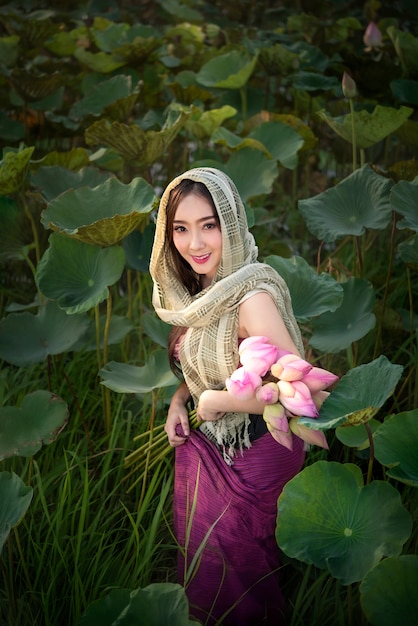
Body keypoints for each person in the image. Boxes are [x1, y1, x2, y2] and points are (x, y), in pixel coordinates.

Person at [149, 167, 305, 625]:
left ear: (231, 224)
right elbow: (212, 365)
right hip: (223, 434)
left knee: (233, 579)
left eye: (208, 225)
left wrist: (218, 405)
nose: (194, 243)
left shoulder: (250, 296)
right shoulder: (201, 289)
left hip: (261, 444)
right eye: (181, 228)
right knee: (213, 568)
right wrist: (181, 400)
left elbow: (297, 388)